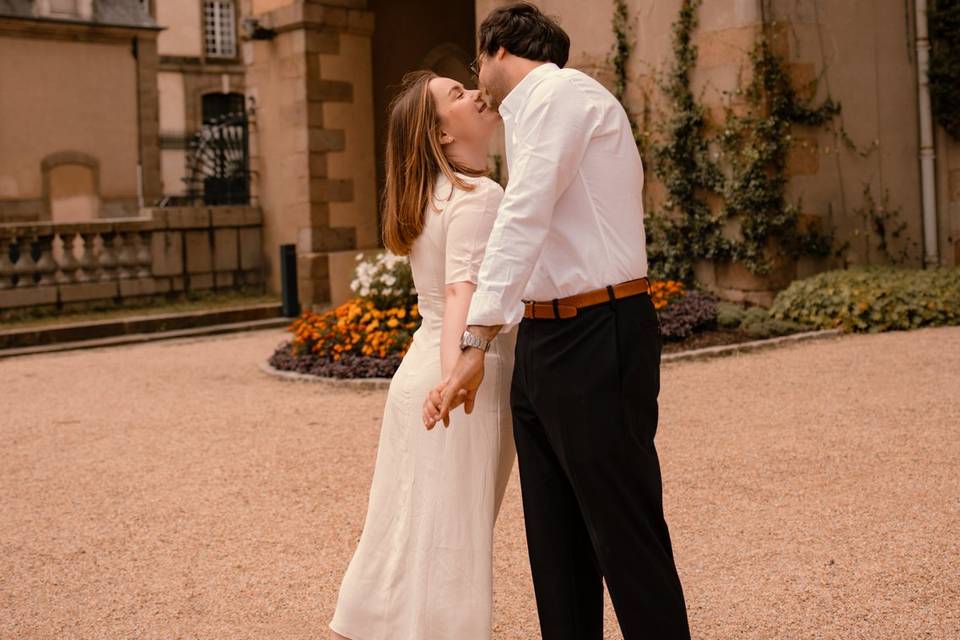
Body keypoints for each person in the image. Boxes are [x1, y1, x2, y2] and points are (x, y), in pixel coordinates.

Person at [424, 3, 691, 638]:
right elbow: (532, 234)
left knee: (623, 530)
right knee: (555, 544)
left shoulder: (561, 94)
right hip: (544, 337)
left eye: (474, 63)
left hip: (599, 331)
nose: (476, 76)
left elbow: (524, 217)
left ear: (498, 51)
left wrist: (474, 340)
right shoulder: (529, 117)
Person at [329, 70, 517, 640]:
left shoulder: (434, 196)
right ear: (439, 135)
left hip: (418, 374)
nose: (478, 92)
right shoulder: (478, 197)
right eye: (456, 95)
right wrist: (457, 375)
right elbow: (463, 291)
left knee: (404, 526)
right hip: (456, 376)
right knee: (455, 535)